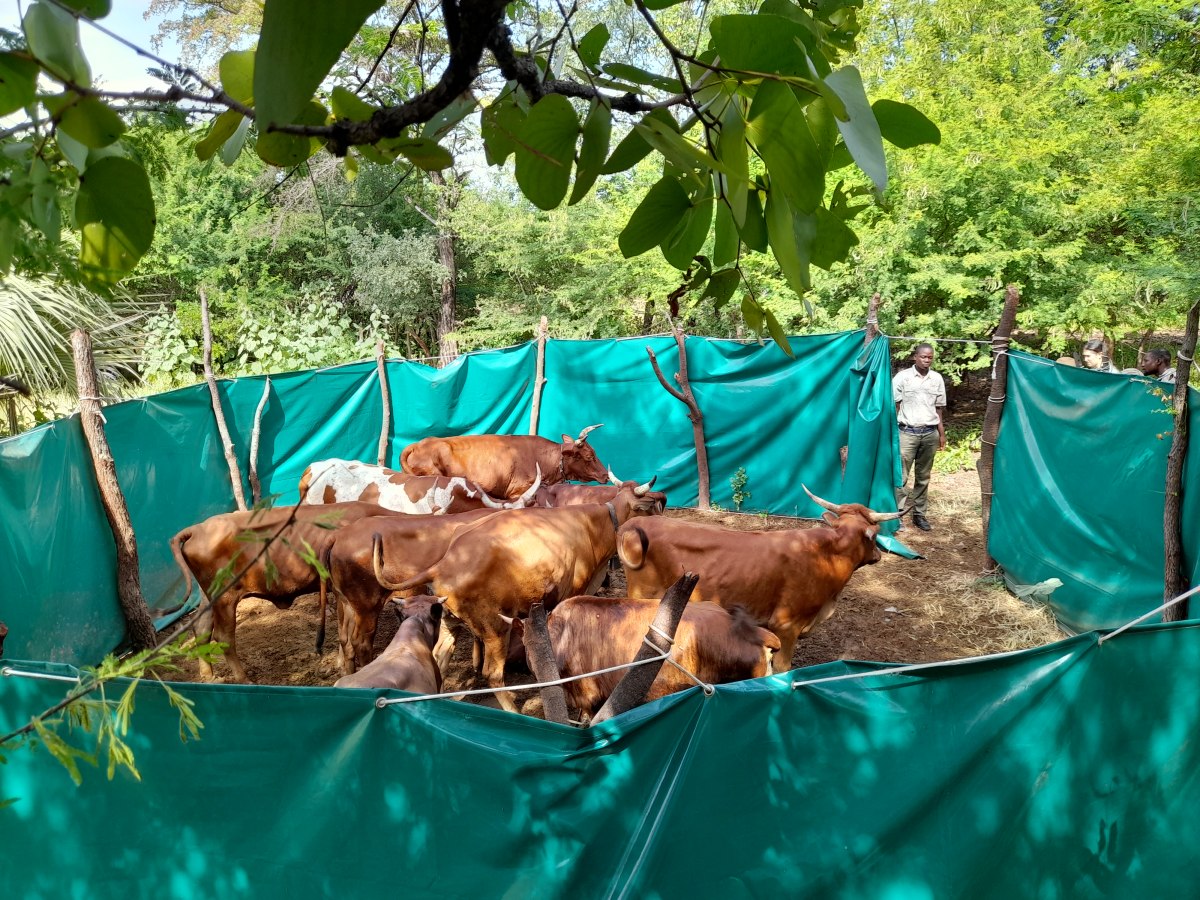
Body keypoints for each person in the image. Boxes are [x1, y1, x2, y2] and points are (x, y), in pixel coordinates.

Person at [893, 343, 946, 532]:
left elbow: (939, 408)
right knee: (901, 476)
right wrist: (893, 432)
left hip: (929, 433)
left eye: (930, 357)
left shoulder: (936, 378)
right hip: (907, 432)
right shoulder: (903, 377)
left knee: (924, 476)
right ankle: (897, 515)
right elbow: (895, 406)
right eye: (923, 356)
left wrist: (941, 434)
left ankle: (919, 514)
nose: (927, 360)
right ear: (915, 357)